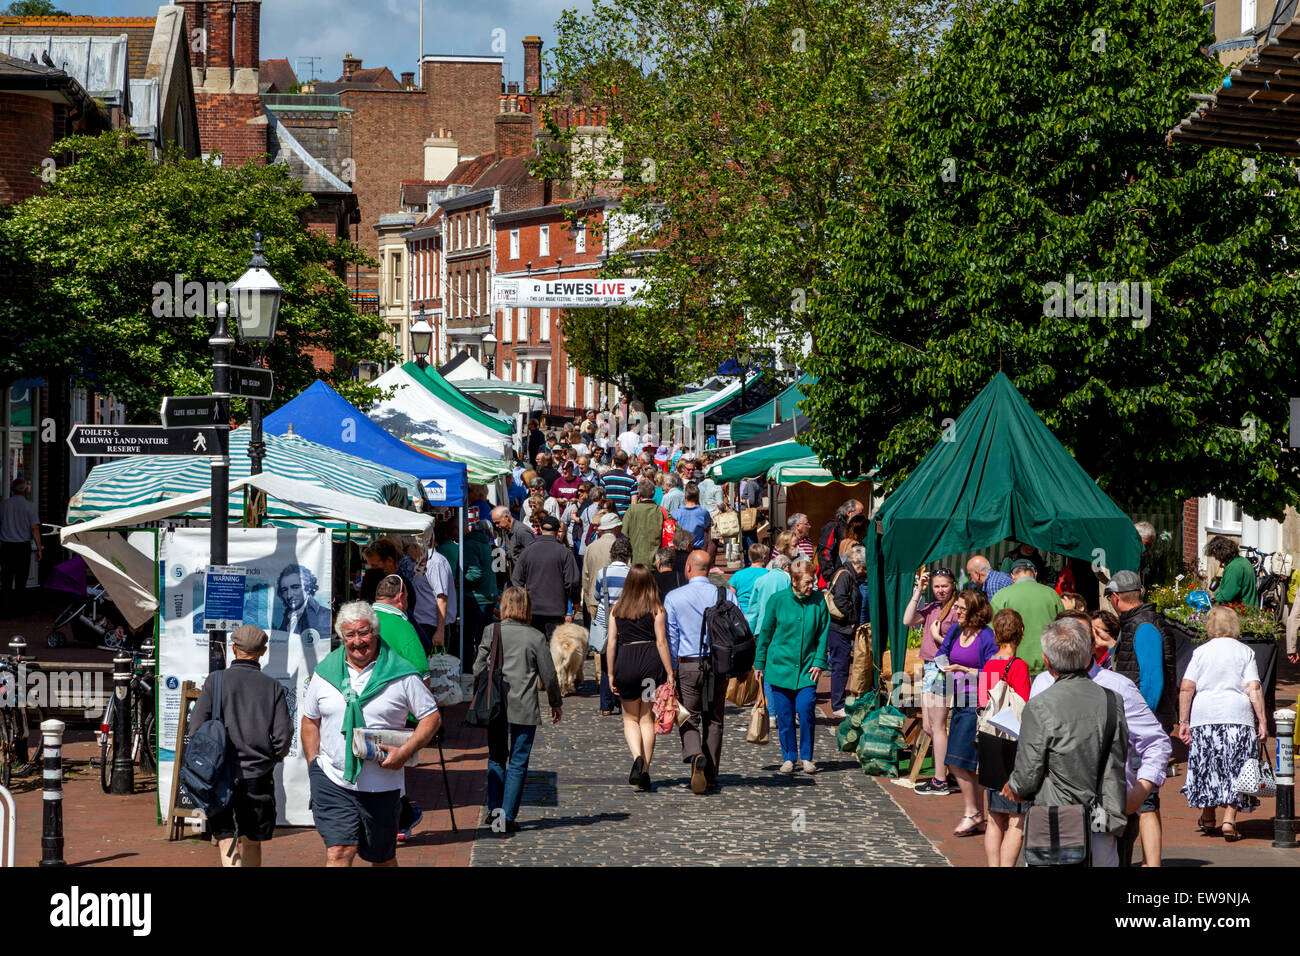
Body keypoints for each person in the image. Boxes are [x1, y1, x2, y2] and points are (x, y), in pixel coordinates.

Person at [302, 602, 441, 867]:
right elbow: (310, 721)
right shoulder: (325, 673)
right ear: (342, 637)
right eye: (350, 635)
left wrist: (406, 751)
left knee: (383, 858)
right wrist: (314, 765)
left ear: (375, 633)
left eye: (363, 633)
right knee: (340, 850)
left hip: (382, 784)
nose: (357, 642)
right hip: (333, 779)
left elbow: (432, 718)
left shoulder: (402, 674)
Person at [1030, 616, 1171, 867]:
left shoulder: (1117, 686)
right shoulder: (1042, 684)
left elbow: (1156, 742)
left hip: (1106, 809)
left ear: (1091, 642)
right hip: (1051, 810)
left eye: (1078, 635)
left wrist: (1141, 790)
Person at [1004, 617, 1129, 867]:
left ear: (1047, 661)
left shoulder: (1041, 705)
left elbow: (1029, 772)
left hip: (1057, 818)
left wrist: (1015, 787)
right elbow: (1119, 753)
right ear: (1087, 656)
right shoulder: (1111, 700)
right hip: (1103, 813)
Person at [190, 625, 291, 867]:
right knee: (252, 840)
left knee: (226, 837)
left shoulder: (215, 681)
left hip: (219, 774)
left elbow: (195, 729)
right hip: (257, 774)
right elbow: (283, 735)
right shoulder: (272, 686)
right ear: (263, 651)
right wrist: (269, 758)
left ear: (234, 649)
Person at [474, 587, 562, 833]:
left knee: (496, 757)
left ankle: (494, 811)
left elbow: (478, 667)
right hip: (523, 704)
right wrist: (555, 702)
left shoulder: (492, 631)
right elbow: (549, 675)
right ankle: (507, 815)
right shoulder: (535, 637)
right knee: (518, 762)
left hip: (495, 703)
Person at [1178, 605, 1267, 843]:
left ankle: (1208, 817)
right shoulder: (1245, 651)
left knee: (1208, 767)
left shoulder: (1201, 652)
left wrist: (1183, 721)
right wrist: (1262, 721)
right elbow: (1254, 687)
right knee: (1237, 768)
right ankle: (1229, 819)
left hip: (1204, 717)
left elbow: (1187, 687)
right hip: (1237, 717)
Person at [665, 550, 739, 794]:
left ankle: (696, 754)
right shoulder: (725, 594)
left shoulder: (674, 597)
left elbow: (671, 636)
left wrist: (671, 670)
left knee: (687, 715)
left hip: (688, 663)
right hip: (718, 663)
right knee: (715, 718)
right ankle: (712, 773)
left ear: (688, 568)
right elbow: (738, 630)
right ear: (708, 569)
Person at [754, 559, 828, 774]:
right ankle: (789, 757)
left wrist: (819, 661)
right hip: (780, 668)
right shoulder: (777, 600)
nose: (811, 586)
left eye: (812, 581)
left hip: (807, 668)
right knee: (785, 716)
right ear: (794, 581)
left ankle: (806, 756)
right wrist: (759, 662)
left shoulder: (818, 600)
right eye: (806, 582)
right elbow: (765, 632)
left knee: (806, 711)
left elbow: (823, 632)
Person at [935, 589, 997, 835]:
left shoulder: (986, 636)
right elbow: (942, 653)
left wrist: (965, 669)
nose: (956, 612)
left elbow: (993, 672)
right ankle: (976, 814)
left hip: (977, 703)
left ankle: (973, 812)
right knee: (964, 762)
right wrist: (945, 669)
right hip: (958, 699)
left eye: (961, 608)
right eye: (956, 607)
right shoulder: (956, 631)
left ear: (975, 610)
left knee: (956, 760)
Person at [607, 565, 675, 790]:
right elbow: (661, 642)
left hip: (626, 662)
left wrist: (610, 673)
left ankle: (637, 756)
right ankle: (645, 768)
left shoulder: (617, 609)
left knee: (629, 719)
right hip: (649, 665)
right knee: (647, 718)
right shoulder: (656, 609)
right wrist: (669, 672)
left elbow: (612, 643)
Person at [979, 609, 1032, 867]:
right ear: (1020, 632)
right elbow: (1023, 709)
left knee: (994, 817)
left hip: (990, 743)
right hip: (1012, 748)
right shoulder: (1019, 666)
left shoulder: (988, 665)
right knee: (1016, 821)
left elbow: (981, 702)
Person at [903, 568, 961, 794]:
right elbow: (907, 620)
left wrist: (938, 637)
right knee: (929, 726)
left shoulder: (957, 610)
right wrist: (919, 590)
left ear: (953, 585)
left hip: (941, 670)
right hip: (928, 668)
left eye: (944, 585)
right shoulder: (932, 608)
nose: (940, 590)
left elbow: (960, 644)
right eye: (937, 586)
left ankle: (940, 780)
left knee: (937, 726)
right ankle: (952, 772)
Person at [1105, 570, 1177, 733]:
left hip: (1146, 720)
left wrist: (1142, 719)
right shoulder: (1138, 622)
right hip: (1143, 716)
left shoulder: (1144, 625)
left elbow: (1152, 681)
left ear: (1115, 597)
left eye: (1109, 598)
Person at [511, 514, 580, 641]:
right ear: (556, 531)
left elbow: (516, 580)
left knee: (534, 648)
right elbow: (572, 581)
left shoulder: (528, 551)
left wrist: (523, 603)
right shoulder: (564, 552)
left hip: (533, 609)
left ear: (541, 530)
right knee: (553, 649)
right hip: (556, 609)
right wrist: (575, 601)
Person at [990, 559, 1063, 678]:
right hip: (1048, 667)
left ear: (1012, 576)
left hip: (1012, 667)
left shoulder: (1001, 596)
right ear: (1035, 574)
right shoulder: (1052, 594)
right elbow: (1063, 628)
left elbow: (991, 633)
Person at [593, 538, 634, 716]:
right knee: (624, 662)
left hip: (605, 621)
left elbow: (596, 595)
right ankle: (621, 701)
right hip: (625, 620)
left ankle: (605, 705)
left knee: (605, 663)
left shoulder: (602, 573)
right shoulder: (632, 574)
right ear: (628, 555)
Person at [826, 545, 866, 718]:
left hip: (841, 627)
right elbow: (841, 599)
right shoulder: (845, 575)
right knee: (840, 666)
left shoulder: (847, 574)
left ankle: (839, 701)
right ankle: (837, 704)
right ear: (860, 565)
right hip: (839, 627)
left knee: (841, 665)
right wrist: (851, 620)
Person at [0, 477, 40, 616]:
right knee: (21, 580)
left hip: (6, 546)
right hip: (22, 547)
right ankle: (19, 609)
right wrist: (39, 548)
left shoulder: (4, 505)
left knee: (6, 579)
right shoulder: (30, 506)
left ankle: (5, 608)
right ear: (25, 490)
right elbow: (34, 528)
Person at [274, 564, 332, 637]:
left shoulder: (324, 616)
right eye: (284, 590)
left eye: (295, 587)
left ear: (308, 588)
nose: (289, 595)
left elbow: (322, 646)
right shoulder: (288, 616)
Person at [817, 500, 864, 585]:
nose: (862, 517)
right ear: (849, 512)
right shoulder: (833, 526)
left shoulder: (853, 529)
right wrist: (830, 577)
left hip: (854, 578)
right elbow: (824, 552)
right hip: (838, 577)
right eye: (860, 514)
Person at [622, 478, 665, 568]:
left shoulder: (631, 511)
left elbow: (624, 534)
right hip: (655, 563)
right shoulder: (661, 511)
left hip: (635, 562)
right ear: (653, 493)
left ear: (639, 493)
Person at [1206, 534, 1258, 606]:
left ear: (1219, 552)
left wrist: (1214, 597)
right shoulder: (1242, 561)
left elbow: (1228, 595)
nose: (1216, 558)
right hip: (1250, 608)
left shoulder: (1234, 567)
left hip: (1242, 611)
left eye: (1215, 555)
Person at [747, 552, 792, 634]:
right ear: (787, 566)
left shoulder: (760, 580)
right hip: (782, 629)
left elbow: (753, 609)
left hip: (762, 627)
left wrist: (750, 630)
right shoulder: (789, 579)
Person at [728, 543, 770, 618]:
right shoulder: (768, 574)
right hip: (760, 614)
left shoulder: (738, 574)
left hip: (741, 614)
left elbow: (730, 596)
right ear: (764, 558)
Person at [492, 504, 535, 572]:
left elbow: (534, 555)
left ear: (506, 517)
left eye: (498, 522)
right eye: (495, 523)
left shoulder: (521, 531)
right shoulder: (507, 530)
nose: (497, 526)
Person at [672, 482, 713, 553]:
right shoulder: (703, 513)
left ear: (685, 497)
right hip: (696, 550)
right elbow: (707, 527)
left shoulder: (675, 513)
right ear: (698, 497)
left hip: (680, 550)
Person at [602, 450, 638, 515]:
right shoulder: (632, 480)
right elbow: (634, 503)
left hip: (608, 515)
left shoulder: (604, 478)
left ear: (614, 461)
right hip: (625, 516)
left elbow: (602, 499)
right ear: (627, 462)